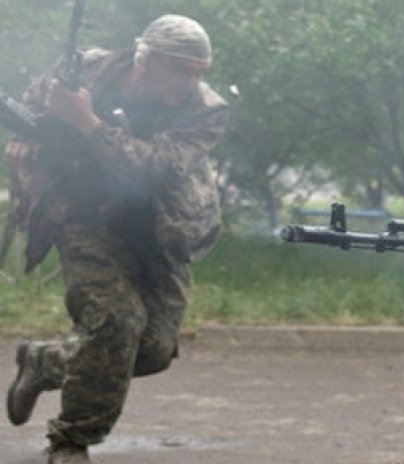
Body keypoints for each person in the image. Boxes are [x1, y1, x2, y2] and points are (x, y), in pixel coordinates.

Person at [4, 14, 229, 464]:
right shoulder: (85, 71)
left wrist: (88, 123)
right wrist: (28, 141)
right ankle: (70, 442)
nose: (189, 82)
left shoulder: (206, 110)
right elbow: (35, 108)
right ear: (144, 58)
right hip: (85, 218)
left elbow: (156, 168)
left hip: (161, 228)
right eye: (180, 69)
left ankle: (45, 362)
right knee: (117, 324)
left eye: (198, 72)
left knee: (152, 352)